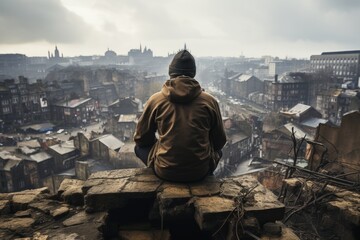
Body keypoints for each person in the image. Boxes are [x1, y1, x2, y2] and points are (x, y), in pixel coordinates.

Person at [134, 49, 226, 182]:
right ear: (193, 73)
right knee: (219, 152)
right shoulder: (210, 101)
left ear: (171, 72)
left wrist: (163, 146)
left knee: (138, 148)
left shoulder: (156, 100)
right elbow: (219, 142)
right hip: (200, 172)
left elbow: (141, 139)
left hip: (165, 171)